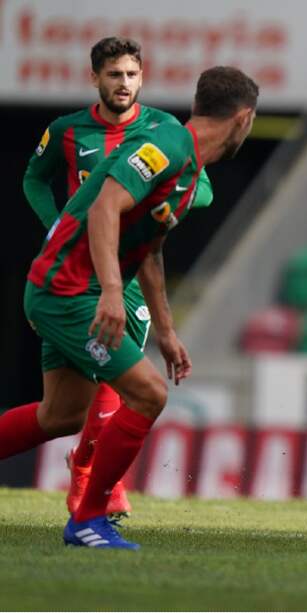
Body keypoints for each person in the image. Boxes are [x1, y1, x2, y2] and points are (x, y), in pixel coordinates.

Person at [0, 65, 258, 550]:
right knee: (148, 394)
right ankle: (89, 519)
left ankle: (89, 514)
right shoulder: (167, 146)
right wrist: (113, 294)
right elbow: (104, 207)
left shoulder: (188, 169)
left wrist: (166, 330)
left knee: (61, 415)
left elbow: (150, 249)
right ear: (243, 119)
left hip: (71, 290)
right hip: (69, 291)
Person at [22, 36, 214, 521]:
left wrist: (159, 204)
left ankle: (88, 473)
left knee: (120, 374)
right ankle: (87, 472)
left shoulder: (161, 132)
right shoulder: (67, 132)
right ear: (95, 79)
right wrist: (58, 222)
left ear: (142, 77)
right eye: (113, 74)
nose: (123, 83)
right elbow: (33, 178)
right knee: (63, 410)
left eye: (130, 74)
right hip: (75, 271)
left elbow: (202, 188)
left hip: (125, 272)